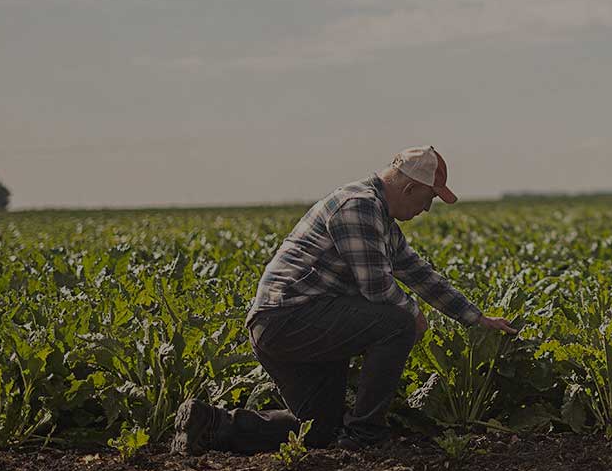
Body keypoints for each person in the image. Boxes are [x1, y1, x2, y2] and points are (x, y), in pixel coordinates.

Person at [170, 146, 517, 454]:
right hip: (289, 320)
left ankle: (212, 424)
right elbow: (378, 289)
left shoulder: (379, 217)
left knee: (319, 430)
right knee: (396, 323)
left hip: (300, 324)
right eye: (428, 200)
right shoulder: (359, 207)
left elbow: (418, 273)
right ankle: (367, 435)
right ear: (410, 188)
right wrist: (414, 316)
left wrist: (476, 318)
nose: (426, 209)